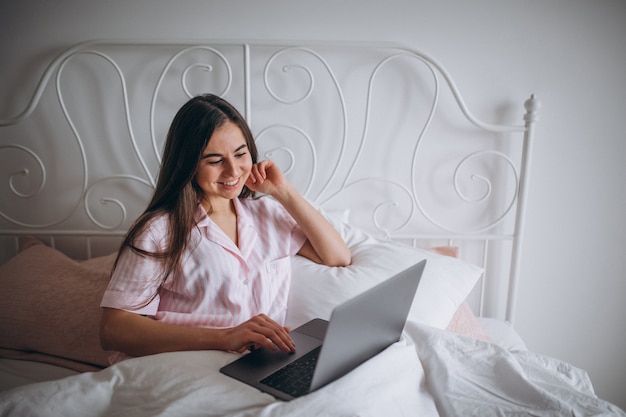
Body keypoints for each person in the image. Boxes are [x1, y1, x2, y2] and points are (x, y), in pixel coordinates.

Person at [99, 94, 351, 363]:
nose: (233, 170)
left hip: (258, 365)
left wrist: (283, 191)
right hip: (184, 364)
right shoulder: (158, 231)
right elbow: (113, 329)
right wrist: (224, 337)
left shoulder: (268, 214)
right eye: (215, 160)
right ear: (188, 165)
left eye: (241, 154)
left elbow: (337, 256)